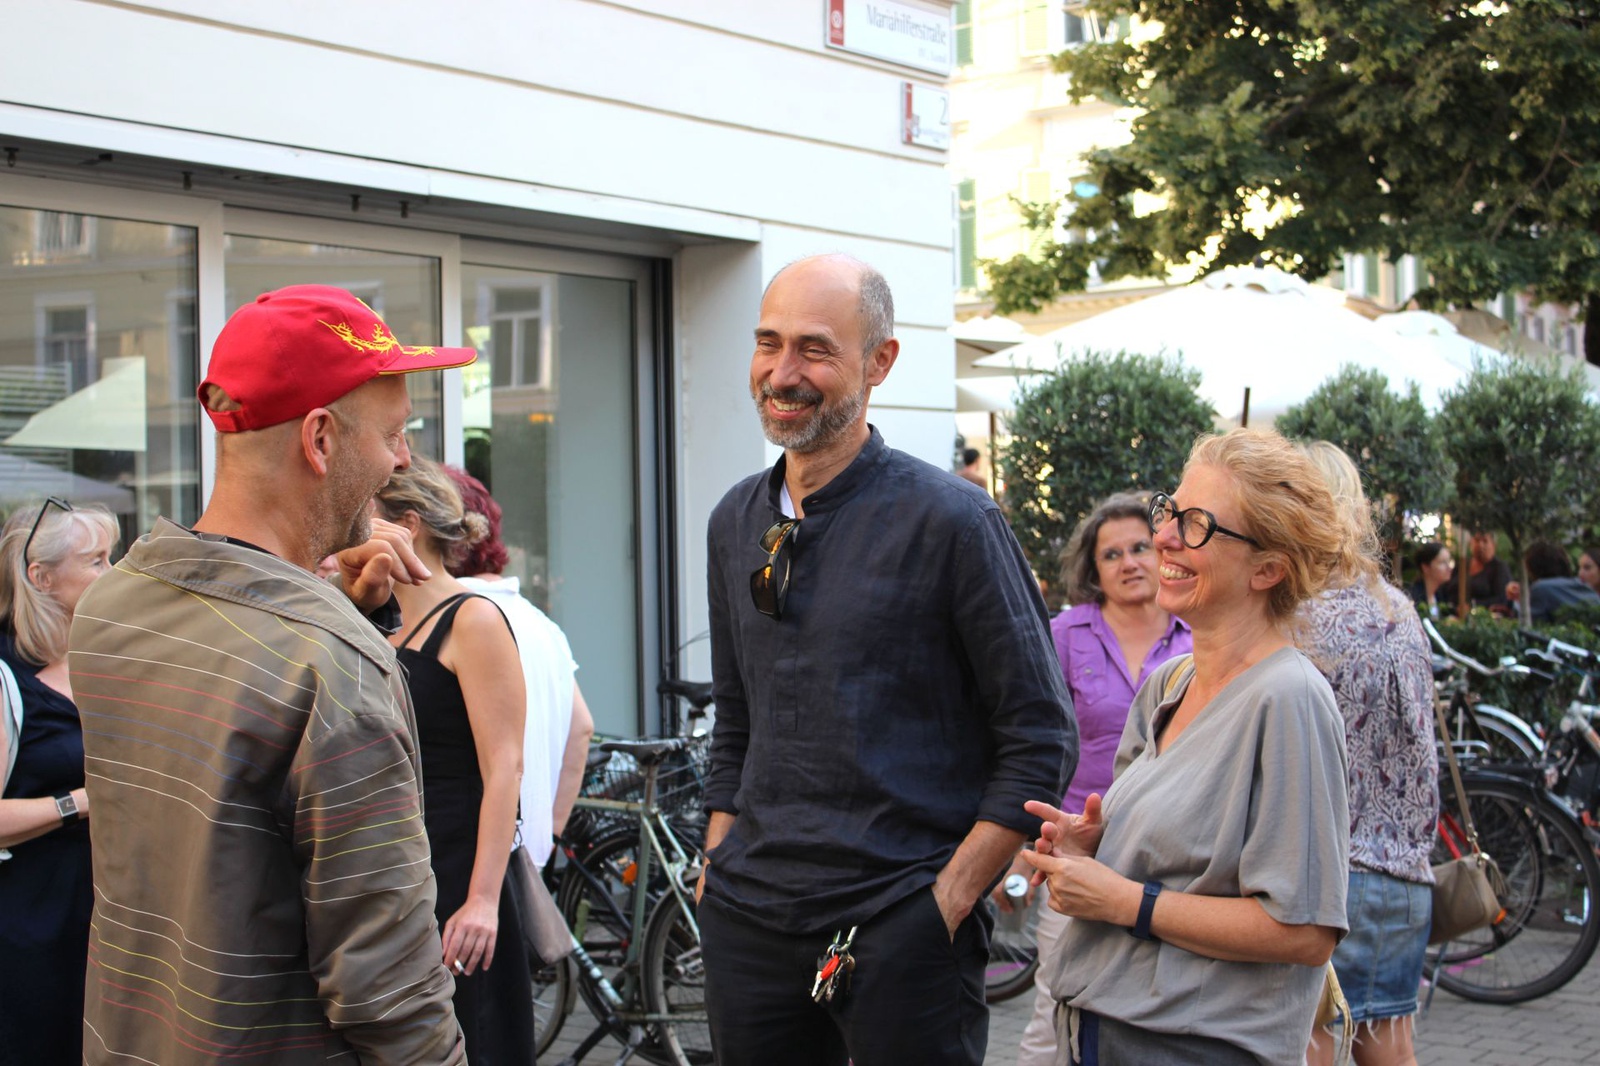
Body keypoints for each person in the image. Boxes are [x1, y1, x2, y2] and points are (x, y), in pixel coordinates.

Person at [70, 284, 475, 1064]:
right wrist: (338, 629)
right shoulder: (328, 663)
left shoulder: (112, 605)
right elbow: (389, 991)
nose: (401, 460)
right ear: (320, 438)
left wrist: (334, 608)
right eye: (395, 434)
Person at [697, 253, 1074, 1066]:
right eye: (768, 343)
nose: (782, 373)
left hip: (898, 924)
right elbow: (738, 715)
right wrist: (716, 859)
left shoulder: (954, 522)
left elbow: (1040, 735)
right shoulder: (734, 520)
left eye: (814, 349)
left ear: (880, 362)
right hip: (748, 921)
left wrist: (946, 902)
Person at [1024, 427, 1352, 1066]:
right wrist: (1094, 848)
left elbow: (1306, 931)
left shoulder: (1288, 698)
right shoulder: (1170, 684)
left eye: (1197, 524)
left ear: (1267, 568)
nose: (1165, 537)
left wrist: (1126, 901)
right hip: (1106, 1031)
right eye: (1169, 510)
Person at [1013, 492, 1191, 1066]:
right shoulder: (1064, 634)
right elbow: (1035, 739)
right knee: (1054, 1009)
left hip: (1178, 859)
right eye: (1111, 554)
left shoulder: (1198, 634)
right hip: (1078, 852)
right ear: (1093, 568)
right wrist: (1022, 846)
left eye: (1140, 547)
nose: (1129, 562)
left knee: (1161, 1020)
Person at [376, 457, 533, 1064]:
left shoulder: (473, 619)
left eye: (365, 516)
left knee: (473, 1035)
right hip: (401, 865)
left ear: (407, 525)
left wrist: (484, 899)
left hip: (459, 866)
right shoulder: (378, 620)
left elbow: (505, 766)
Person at [1298, 442, 1439, 1066]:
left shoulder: (1298, 618)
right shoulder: (1397, 608)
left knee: (1309, 1047)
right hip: (1405, 877)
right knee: (1392, 1052)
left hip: (1327, 877)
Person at [0, 499, 116, 1065]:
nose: (111, 573)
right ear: (41, 578)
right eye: (96, 561)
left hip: (105, 911)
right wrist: (83, 801)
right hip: (31, 918)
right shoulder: (8, 676)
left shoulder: (106, 656)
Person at [444, 465, 594, 864]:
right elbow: (582, 729)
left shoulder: (451, 618)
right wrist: (550, 834)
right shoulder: (542, 624)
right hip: (529, 863)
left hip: (469, 861)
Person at [1507, 539, 1600, 622]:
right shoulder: (1580, 590)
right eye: (1580, 567)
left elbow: (1525, 624)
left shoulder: (1542, 588)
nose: (1580, 573)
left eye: (1587, 568)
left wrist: (1519, 601)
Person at [1442, 530, 1512, 614]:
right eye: (1477, 540)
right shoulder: (1462, 565)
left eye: (1485, 541)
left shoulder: (1499, 568)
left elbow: (1501, 599)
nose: (1480, 545)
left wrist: (1473, 606)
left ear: (1494, 545)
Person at [1407, 541, 1454, 619]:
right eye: (1442, 563)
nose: (1449, 568)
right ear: (1425, 567)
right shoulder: (1414, 597)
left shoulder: (1441, 595)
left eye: (1449, 561)